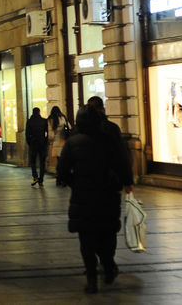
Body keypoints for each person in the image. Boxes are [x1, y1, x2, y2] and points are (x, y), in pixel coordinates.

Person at [56, 107, 128, 294]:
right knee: (107, 235)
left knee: (86, 240)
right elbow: (122, 163)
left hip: (83, 198)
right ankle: (108, 264)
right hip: (107, 197)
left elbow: (62, 171)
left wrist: (75, 183)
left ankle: (91, 278)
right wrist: (124, 183)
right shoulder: (108, 141)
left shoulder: (72, 143)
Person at [86, 96, 134, 192]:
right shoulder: (111, 128)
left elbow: (66, 160)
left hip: (86, 184)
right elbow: (122, 155)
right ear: (103, 109)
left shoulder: (78, 130)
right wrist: (127, 181)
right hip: (110, 182)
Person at [25, 107, 49, 187]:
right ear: (39, 112)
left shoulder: (29, 121)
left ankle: (35, 177)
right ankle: (41, 180)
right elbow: (47, 133)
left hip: (33, 143)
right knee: (42, 162)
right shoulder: (44, 121)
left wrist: (30, 142)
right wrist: (45, 141)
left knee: (33, 161)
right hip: (42, 143)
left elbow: (27, 134)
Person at [47, 106, 71, 173]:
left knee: (59, 160)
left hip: (56, 141)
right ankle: (64, 175)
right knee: (64, 160)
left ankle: (59, 176)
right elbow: (69, 127)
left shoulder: (50, 119)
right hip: (64, 140)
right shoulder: (63, 117)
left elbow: (50, 133)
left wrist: (50, 140)